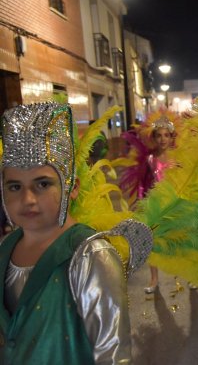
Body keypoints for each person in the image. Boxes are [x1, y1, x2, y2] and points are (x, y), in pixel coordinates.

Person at [0, 102, 140, 363]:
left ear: (71, 187)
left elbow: (113, 353)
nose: (28, 199)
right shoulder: (6, 248)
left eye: (42, 184)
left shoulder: (90, 255)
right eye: (15, 187)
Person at [144, 114, 176, 294]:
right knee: (151, 241)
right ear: (154, 138)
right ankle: (154, 278)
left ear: (172, 137)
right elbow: (145, 182)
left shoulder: (179, 158)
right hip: (156, 204)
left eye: (166, 135)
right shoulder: (150, 159)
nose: (163, 139)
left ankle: (191, 276)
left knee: (183, 240)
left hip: (176, 203)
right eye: (159, 135)